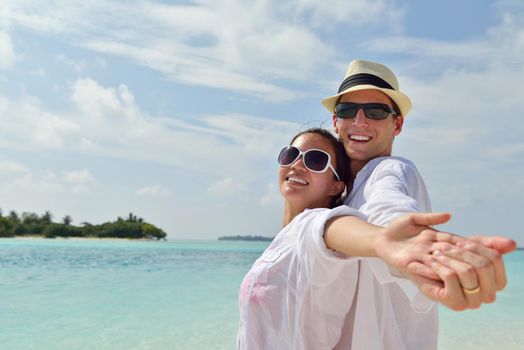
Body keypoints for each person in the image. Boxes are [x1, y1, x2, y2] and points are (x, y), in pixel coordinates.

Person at [236, 128, 515, 350]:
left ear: (337, 185)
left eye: (316, 160)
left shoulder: (312, 226)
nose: (298, 164)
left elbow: (334, 227)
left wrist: (383, 241)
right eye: (291, 154)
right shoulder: (286, 239)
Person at [321, 59, 516, 349]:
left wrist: (411, 246)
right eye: (348, 111)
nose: (359, 122)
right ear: (336, 121)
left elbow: (389, 208)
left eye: (375, 112)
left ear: (397, 124)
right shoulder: (341, 191)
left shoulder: (392, 171)